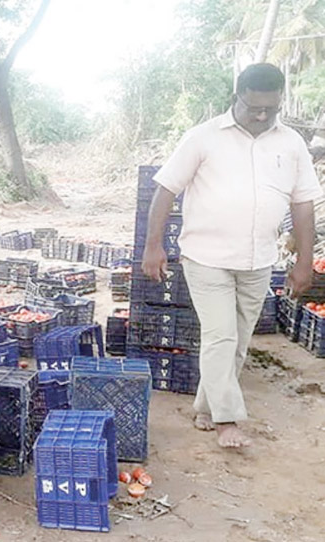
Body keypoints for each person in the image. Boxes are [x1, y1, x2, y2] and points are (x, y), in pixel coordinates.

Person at [142, 63, 322, 449]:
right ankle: (227, 420)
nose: (260, 116)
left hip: (259, 260)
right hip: (205, 256)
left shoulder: (290, 143)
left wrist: (304, 261)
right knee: (220, 335)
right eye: (253, 107)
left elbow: (303, 204)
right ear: (235, 98)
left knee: (238, 341)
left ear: (279, 103)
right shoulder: (203, 137)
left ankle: (206, 407)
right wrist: (153, 245)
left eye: (269, 110)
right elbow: (165, 190)